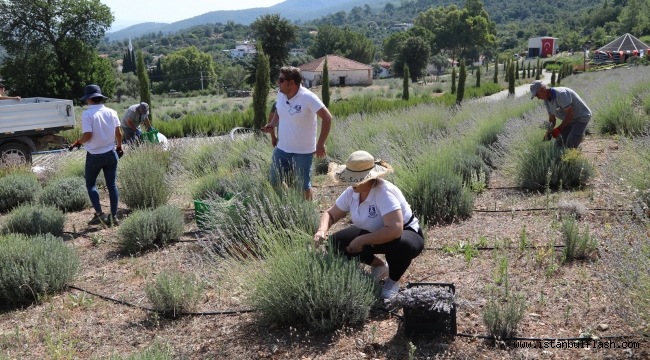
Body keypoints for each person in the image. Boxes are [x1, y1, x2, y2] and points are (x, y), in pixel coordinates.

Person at [313, 151, 424, 299]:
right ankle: (379, 267)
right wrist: (322, 230)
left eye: (356, 179)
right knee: (334, 244)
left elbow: (395, 230)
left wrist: (361, 240)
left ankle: (393, 280)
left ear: (369, 178)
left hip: (405, 232)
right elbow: (330, 214)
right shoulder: (352, 192)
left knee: (401, 246)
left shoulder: (384, 193)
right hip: (373, 232)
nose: (352, 182)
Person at [261, 66, 333, 200]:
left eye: (281, 80)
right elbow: (279, 110)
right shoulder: (281, 93)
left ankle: (308, 211)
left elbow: (327, 117)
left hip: (303, 152)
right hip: (282, 149)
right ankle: (289, 203)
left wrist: (321, 144)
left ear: (292, 82)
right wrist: (272, 124)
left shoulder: (308, 97)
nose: (278, 82)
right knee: (274, 180)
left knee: (303, 187)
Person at [69, 84, 122, 226]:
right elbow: (118, 133)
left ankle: (99, 214)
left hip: (94, 156)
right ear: (100, 97)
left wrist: (78, 142)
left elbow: (88, 135)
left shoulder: (87, 114)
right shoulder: (112, 112)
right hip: (111, 153)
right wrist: (119, 146)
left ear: (89, 99)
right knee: (112, 185)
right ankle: (114, 216)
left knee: (91, 184)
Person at [530, 80, 592, 149]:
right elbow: (552, 118)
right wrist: (549, 131)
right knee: (559, 144)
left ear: (542, 89)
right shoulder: (546, 100)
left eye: (537, 95)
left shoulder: (561, 94)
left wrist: (559, 129)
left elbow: (570, 114)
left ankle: (574, 151)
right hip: (569, 120)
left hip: (581, 117)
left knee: (570, 144)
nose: (538, 98)